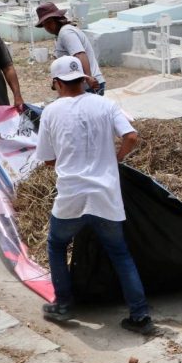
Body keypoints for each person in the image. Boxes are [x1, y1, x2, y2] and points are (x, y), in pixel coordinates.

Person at [35, 55, 154, 335]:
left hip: (71, 196)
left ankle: (63, 304)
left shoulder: (51, 112)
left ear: (56, 84)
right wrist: (115, 159)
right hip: (105, 195)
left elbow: (48, 160)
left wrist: (68, 161)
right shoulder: (106, 105)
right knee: (120, 253)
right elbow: (132, 136)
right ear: (83, 80)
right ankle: (140, 316)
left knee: (56, 244)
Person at [35, 2, 106, 94]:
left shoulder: (66, 33)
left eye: (49, 22)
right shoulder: (62, 34)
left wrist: (88, 78)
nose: (47, 27)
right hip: (80, 86)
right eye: (44, 24)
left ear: (57, 19)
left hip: (89, 86)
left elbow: (80, 54)